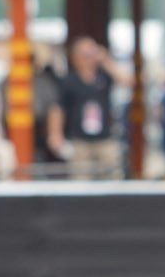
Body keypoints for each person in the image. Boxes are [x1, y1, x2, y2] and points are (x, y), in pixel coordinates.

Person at [48, 36, 122, 178]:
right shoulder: (69, 81)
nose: (90, 58)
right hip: (79, 141)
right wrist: (55, 134)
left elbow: (126, 81)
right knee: (80, 180)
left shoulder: (105, 77)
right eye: (86, 54)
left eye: (92, 53)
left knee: (112, 177)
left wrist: (106, 61)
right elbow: (58, 109)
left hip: (105, 139)